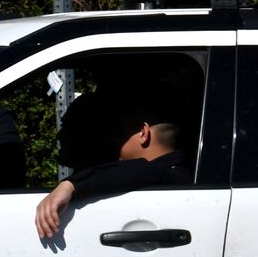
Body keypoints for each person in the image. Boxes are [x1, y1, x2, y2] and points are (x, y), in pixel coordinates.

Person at [35, 100, 191, 239]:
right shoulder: (182, 171)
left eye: (119, 132)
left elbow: (140, 171)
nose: (112, 140)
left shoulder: (167, 173)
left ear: (144, 133)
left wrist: (71, 185)